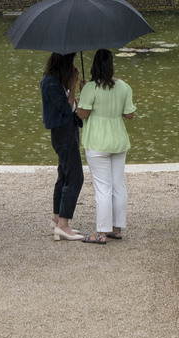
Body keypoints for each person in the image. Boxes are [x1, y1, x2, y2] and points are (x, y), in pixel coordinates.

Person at [77, 48, 135, 242]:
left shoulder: (90, 87)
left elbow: (82, 114)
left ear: (94, 66)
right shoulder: (124, 86)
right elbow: (129, 114)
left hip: (97, 142)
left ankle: (101, 232)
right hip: (118, 140)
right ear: (111, 66)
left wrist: (82, 93)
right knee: (118, 185)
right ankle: (116, 228)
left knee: (103, 188)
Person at [41, 51, 85, 239]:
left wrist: (73, 88)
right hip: (63, 132)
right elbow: (66, 109)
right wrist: (73, 85)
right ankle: (64, 224)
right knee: (75, 176)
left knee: (64, 174)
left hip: (67, 130)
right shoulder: (51, 83)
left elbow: (71, 107)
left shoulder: (56, 82)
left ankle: (57, 217)